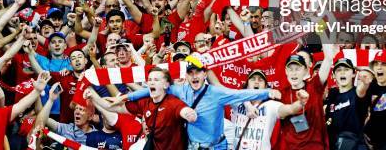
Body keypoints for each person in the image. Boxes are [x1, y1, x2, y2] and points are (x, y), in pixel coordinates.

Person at [120, 55, 282, 149]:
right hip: (193, 147)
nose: (194, 76)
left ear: (205, 74)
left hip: (217, 146)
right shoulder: (180, 90)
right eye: (190, 73)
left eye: (198, 72)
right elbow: (156, 88)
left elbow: (240, 94)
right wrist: (129, 97)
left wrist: (267, 91)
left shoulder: (217, 93)